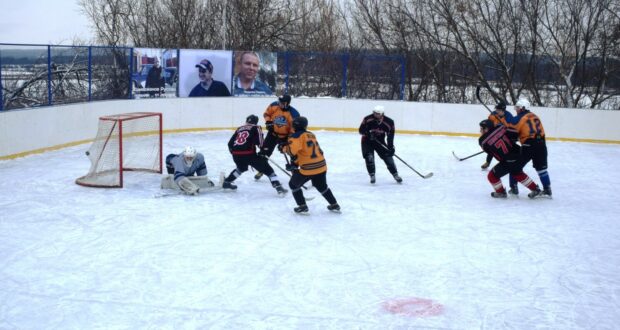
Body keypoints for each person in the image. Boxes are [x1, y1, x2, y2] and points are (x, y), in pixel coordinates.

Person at [283, 116, 340, 214]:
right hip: (322, 166)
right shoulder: (311, 134)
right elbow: (306, 152)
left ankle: (302, 206)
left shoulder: (296, 136)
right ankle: (334, 204)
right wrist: (295, 164)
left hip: (309, 168)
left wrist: (284, 148)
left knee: (293, 185)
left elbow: (292, 152)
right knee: (321, 186)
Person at [222, 114, 287, 195]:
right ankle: (278, 187)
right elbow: (260, 141)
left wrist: (234, 153)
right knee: (269, 170)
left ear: (246, 121)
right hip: (249, 155)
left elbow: (230, 143)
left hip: (236, 154)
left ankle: (227, 182)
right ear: (256, 122)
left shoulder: (239, 128)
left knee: (241, 168)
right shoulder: (256, 127)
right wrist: (263, 150)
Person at [478, 119, 543, 199]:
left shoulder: (482, 141)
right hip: (520, 153)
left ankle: (501, 192)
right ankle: (536, 189)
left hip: (508, 160)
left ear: (486, 129)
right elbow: (515, 134)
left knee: (492, 176)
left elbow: (490, 153)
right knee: (517, 172)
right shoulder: (500, 127)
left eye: (481, 128)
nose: (480, 130)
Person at [509, 98, 552, 197]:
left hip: (529, 145)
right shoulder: (535, 116)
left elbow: (511, 135)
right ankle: (547, 189)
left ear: (523, 108)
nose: (516, 109)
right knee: (541, 169)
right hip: (541, 144)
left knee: (515, 167)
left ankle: (513, 188)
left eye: (518, 107)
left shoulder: (519, 118)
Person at [254, 94, 300, 180]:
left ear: (287, 103)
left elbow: (294, 130)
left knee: (292, 153)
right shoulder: (274, 105)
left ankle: (295, 172)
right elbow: (266, 114)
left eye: (282, 103)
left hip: (285, 137)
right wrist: (268, 122)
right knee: (264, 152)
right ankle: (262, 169)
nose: (279, 104)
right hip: (272, 134)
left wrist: (286, 141)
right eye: (279, 101)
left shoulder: (294, 114)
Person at [481, 101, 519, 195]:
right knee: (491, 150)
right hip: (493, 136)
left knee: (511, 162)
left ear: (503, 110)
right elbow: (488, 124)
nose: (497, 111)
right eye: (496, 109)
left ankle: (513, 186)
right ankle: (488, 162)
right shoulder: (493, 115)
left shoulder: (509, 116)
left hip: (504, 137)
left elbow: (511, 128)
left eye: (499, 110)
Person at [358, 105, 402, 184]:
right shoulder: (367, 119)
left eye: (378, 113)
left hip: (380, 141)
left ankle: (395, 174)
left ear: (382, 114)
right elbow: (361, 130)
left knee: (388, 157)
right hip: (367, 141)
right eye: (374, 113)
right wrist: (368, 134)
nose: (375, 115)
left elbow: (390, 136)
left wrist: (391, 147)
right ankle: (372, 175)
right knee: (369, 157)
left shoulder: (389, 122)